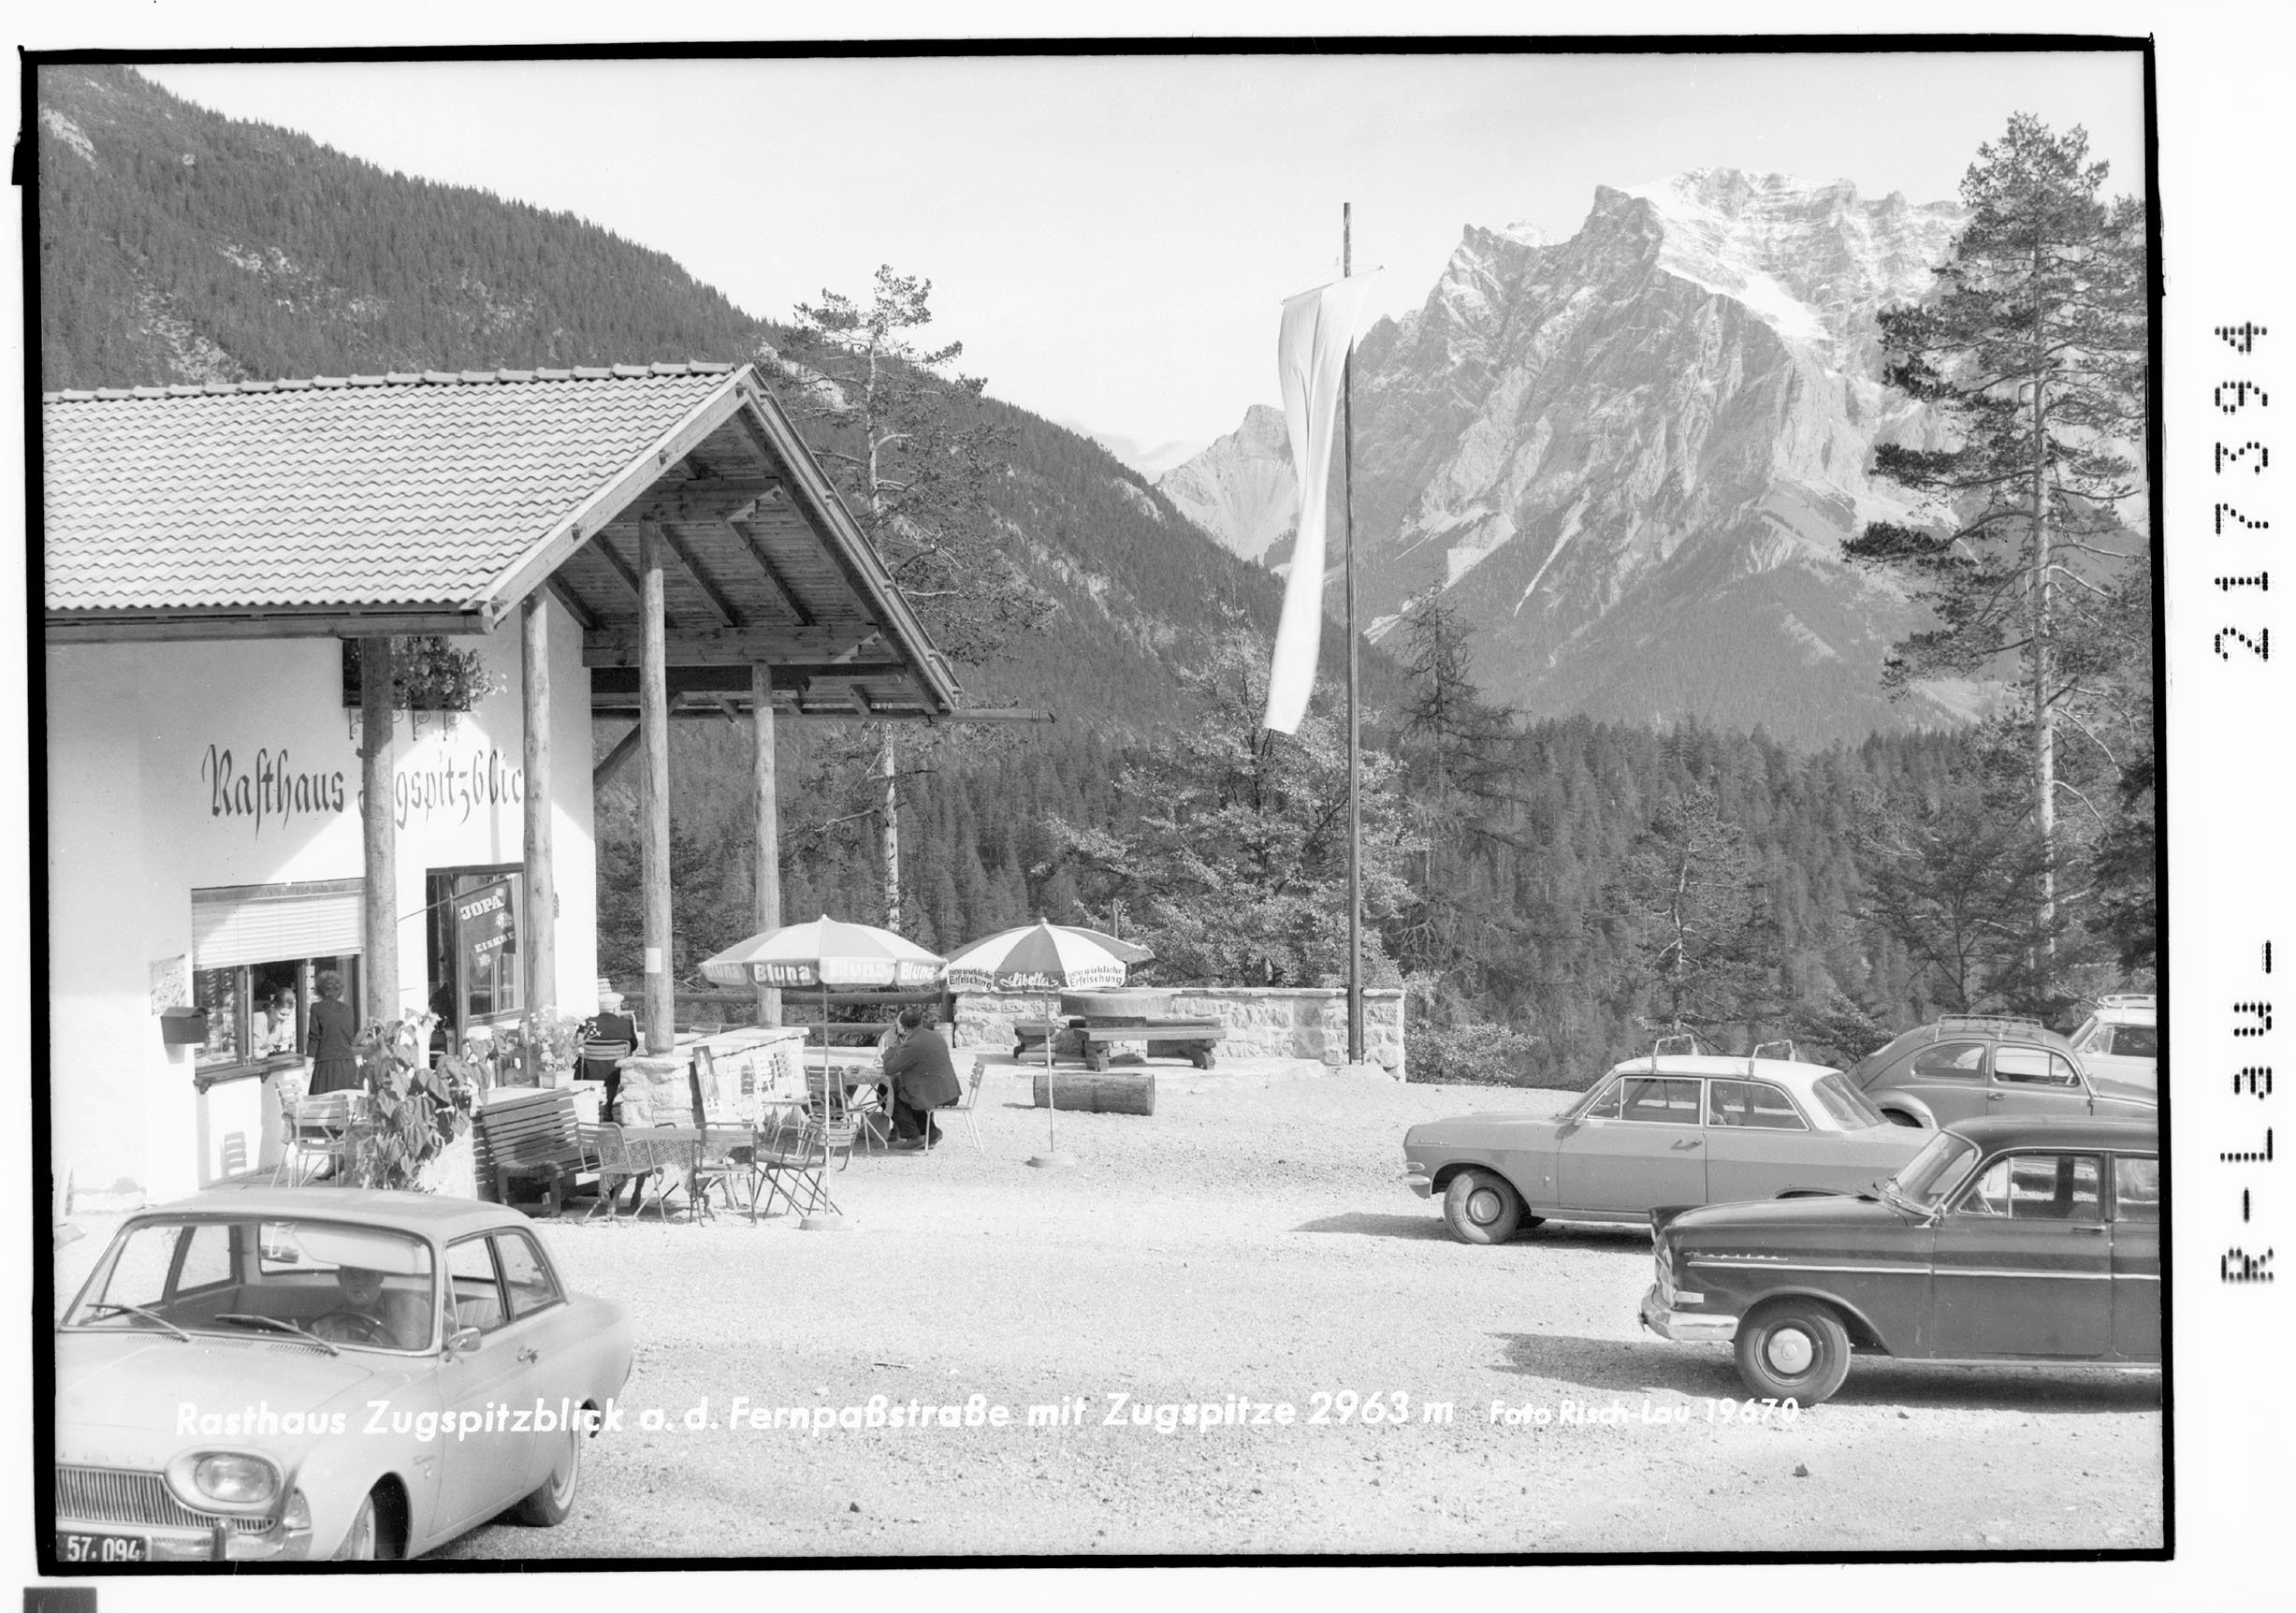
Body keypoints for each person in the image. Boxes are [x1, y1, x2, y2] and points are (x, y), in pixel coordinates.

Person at [879, 1007, 961, 1149]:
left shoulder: (912, 1044)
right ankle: (931, 1132)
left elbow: (889, 1069)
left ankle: (913, 1136)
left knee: (889, 1093)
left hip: (935, 1094)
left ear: (903, 1027)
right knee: (908, 1093)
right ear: (921, 1021)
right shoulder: (937, 1036)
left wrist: (890, 1048)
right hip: (951, 1092)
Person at [305, 970, 359, 1094]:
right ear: (339, 990)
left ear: (319, 989)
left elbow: (314, 1039)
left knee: (323, 1102)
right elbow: (350, 1036)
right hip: (348, 1064)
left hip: (326, 1066)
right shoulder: (348, 1009)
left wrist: (307, 1068)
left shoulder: (317, 1008)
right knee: (348, 1103)